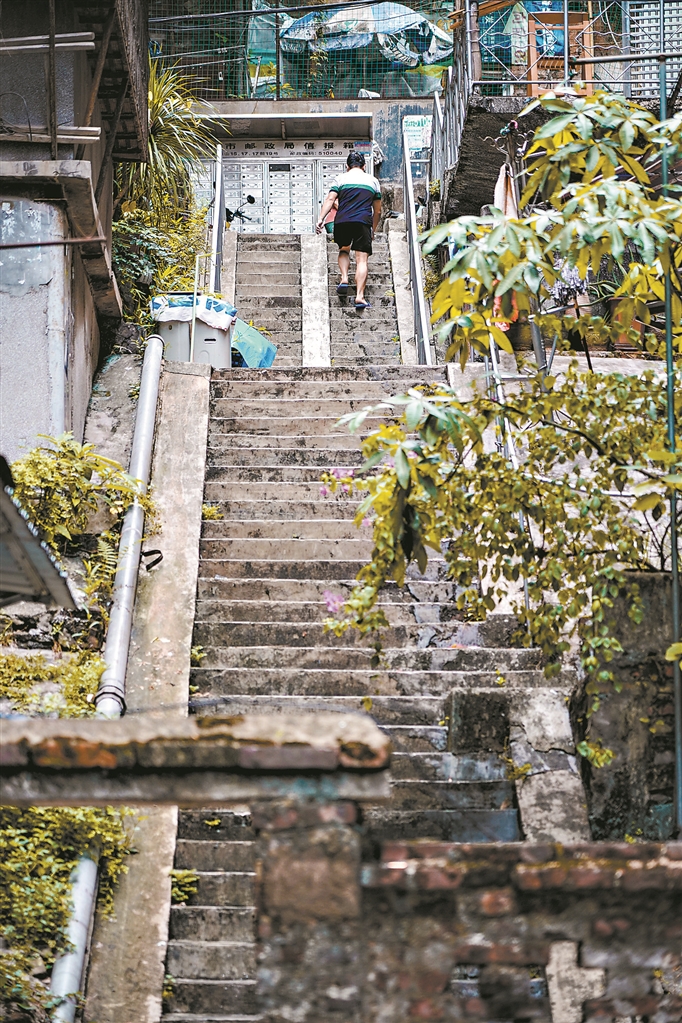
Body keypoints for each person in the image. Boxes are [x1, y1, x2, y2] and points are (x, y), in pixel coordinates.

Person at [316, 151, 382, 309]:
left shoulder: (340, 179)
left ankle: (344, 278)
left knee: (344, 250)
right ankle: (359, 296)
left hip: (343, 221)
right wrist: (372, 229)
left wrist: (321, 219)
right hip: (363, 222)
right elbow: (378, 211)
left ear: (347, 166)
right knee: (362, 259)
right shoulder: (373, 181)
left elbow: (330, 199)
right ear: (364, 166)